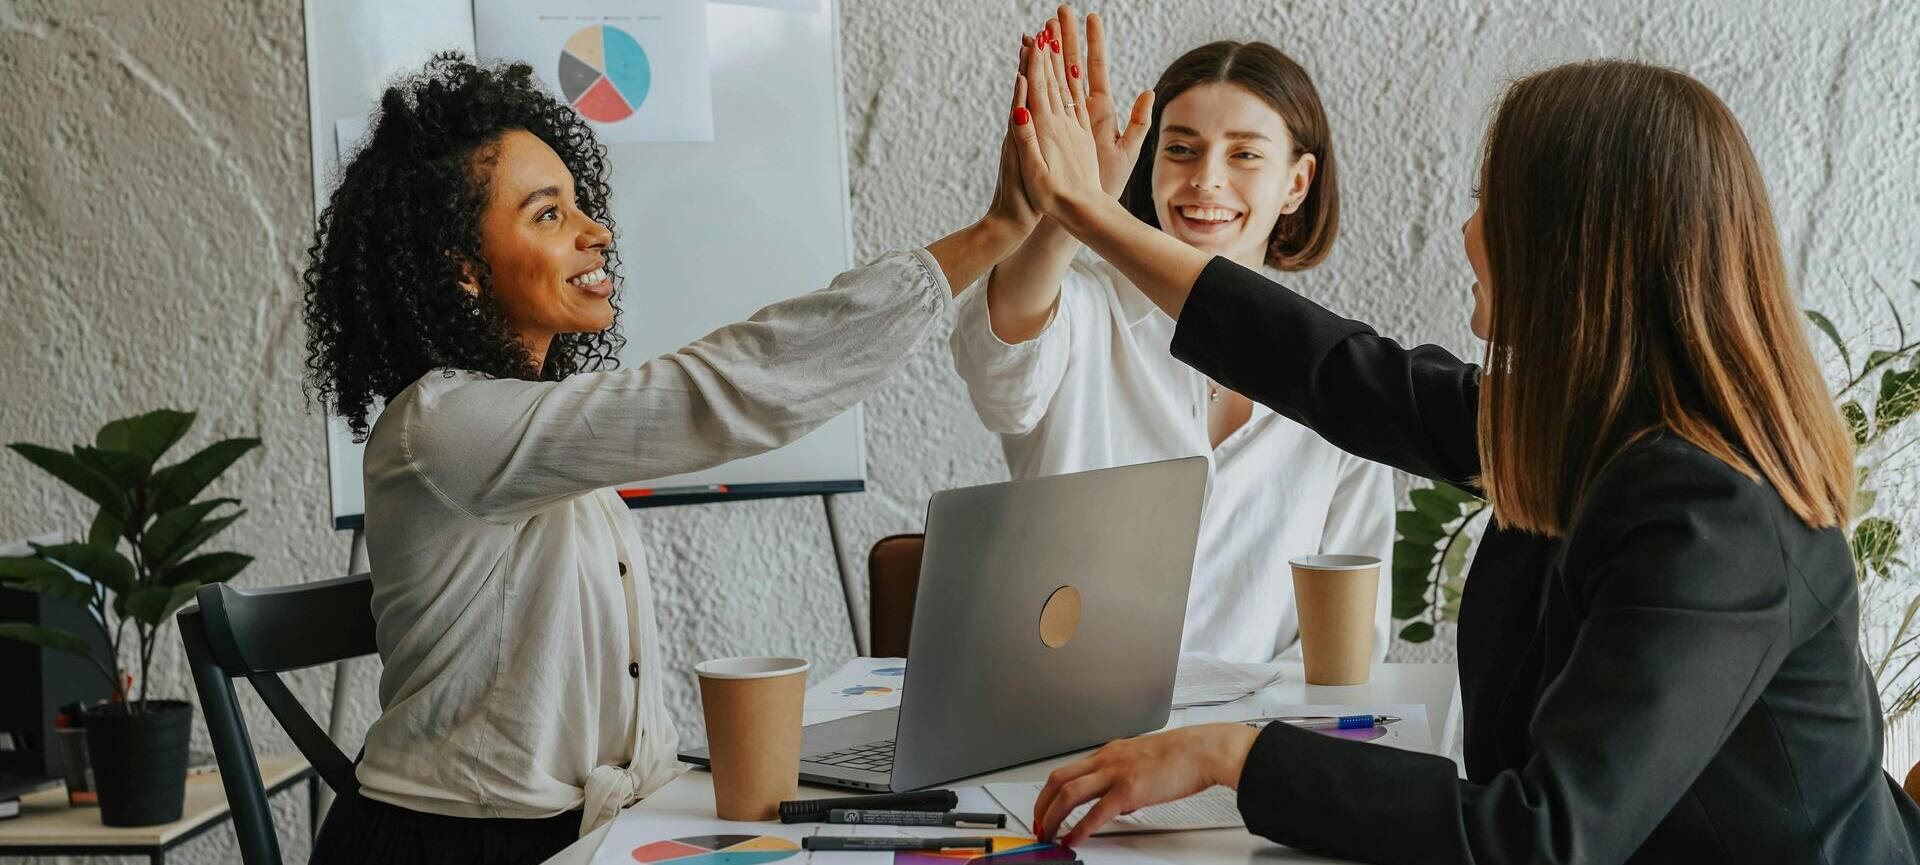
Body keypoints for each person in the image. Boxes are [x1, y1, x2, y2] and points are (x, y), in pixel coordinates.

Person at [1004, 13, 1920, 863]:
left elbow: (1542, 838)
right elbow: (1336, 370)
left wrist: (1236, 757)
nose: (1469, 230)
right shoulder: (1588, 426)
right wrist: (1094, 216)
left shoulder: (1713, 513)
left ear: (1573, 248)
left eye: (1493, 204)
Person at [298, 53, 1040, 865]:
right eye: (549, 215)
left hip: (573, 832)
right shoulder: (444, 424)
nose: (597, 232)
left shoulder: (527, 434)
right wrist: (992, 233)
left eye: (580, 204)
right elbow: (713, 391)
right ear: (463, 269)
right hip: (448, 847)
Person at [950, 10, 1394, 664]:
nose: (1206, 179)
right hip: (1061, 734)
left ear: (1296, 183)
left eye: (1244, 154)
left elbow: (1349, 645)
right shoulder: (1083, 309)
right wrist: (1076, 207)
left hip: (1247, 750)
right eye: (1180, 148)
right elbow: (996, 362)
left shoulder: (1341, 375)